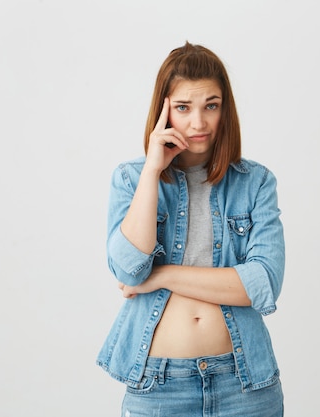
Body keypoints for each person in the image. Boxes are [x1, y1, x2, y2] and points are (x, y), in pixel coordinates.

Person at [96, 41, 286, 417]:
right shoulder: (131, 179)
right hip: (159, 385)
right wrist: (152, 170)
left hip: (244, 384)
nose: (198, 123)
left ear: (224, 110)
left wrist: (162, 275)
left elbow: (262, 282)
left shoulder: (256, 182)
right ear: (164, 109)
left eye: (210, 106)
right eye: (183, 107)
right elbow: (129, 269)